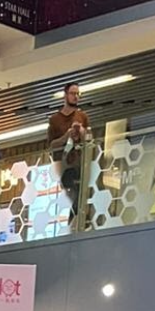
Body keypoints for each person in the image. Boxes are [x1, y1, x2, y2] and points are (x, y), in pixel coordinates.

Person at [46, 81, 91, 226]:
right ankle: (71, 223)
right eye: (73, 93)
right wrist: (66, 136)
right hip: (63, 164)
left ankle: (75, 222)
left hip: (79, 161)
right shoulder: (55, 120)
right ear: (65, 95)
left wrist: (81, 133)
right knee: (72, 192)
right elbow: (51, 144)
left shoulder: (82, 117)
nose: (76, 97)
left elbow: (89, 140)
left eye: (78, 94)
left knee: (79, 193)